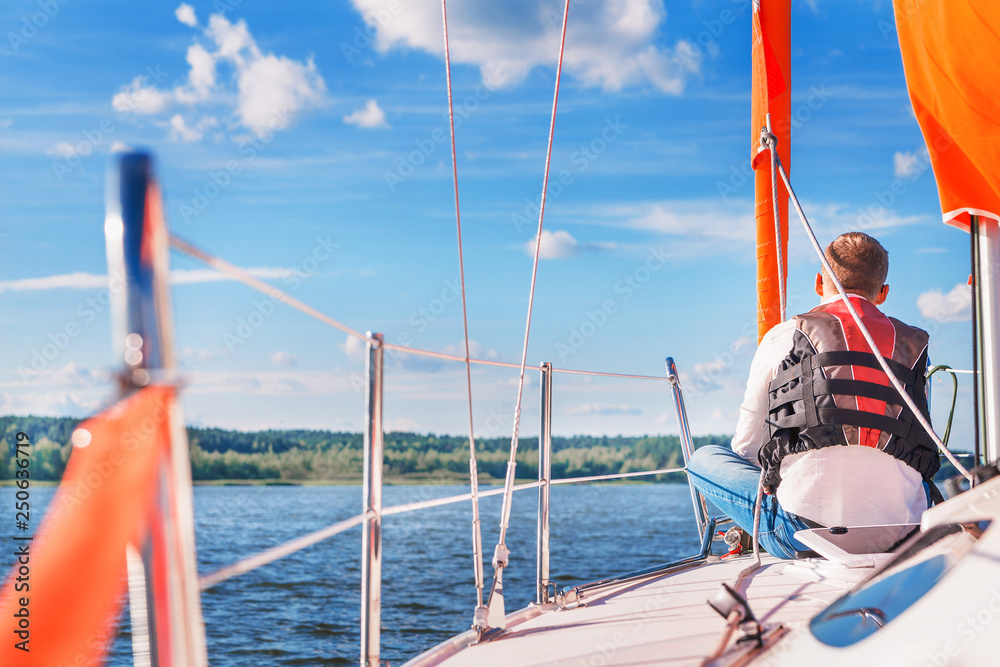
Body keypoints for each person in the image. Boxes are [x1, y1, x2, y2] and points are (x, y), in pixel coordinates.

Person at [687, 232, 940, 558]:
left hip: (803, 534)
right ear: (883, 293)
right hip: (903, 532)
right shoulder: (915, 347)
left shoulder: (785, 335)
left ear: (820, 283)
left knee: (703, 460)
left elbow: (748, 447)